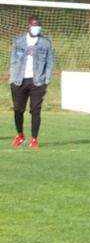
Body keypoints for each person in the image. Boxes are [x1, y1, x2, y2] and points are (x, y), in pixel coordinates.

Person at [10, 15, 53, 149]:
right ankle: (20, 135)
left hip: (37, 82)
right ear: (29, 25)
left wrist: (46, 80)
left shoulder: (46, 43)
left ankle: (34, 139)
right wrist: (12, 77)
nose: (36, 27)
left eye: (38, 25)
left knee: (35, 110)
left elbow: (50, 63)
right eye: (34, 25)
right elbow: (13, 60)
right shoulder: (19, 41)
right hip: (19, 80)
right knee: (18, 109)